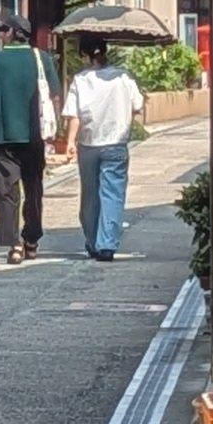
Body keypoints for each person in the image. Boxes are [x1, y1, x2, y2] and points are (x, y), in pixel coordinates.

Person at [0, 17, 55, 263]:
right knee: (34, 188)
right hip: (35, 136)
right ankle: (32, 239)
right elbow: (53, 95)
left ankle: (14, 244)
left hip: (4, 137)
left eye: (4, 30)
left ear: (14, 33)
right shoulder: (42, 60)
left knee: (6, 191)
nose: (1, 34)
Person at [61, 37, 148, 261]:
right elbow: (138, 106)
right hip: (116, 143)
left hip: (88, 145)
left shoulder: (80, 80)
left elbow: (74, 115)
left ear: (85, 55)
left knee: (90, 196)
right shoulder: (124, 77)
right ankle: (106, 244)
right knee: (113, 194)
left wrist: (70, 142)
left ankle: (92, 241)